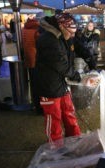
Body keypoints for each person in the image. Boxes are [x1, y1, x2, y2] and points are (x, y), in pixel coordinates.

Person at [35, 13, 97, 146]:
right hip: (49, 86)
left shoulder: (65, 35)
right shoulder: (48, 39)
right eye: (71, 33)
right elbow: (60, 64)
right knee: (54, 118)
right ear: (62, 27)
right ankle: (55, 148)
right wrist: (79, 77)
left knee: (69, 112)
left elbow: (77, 46)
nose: (73, 36)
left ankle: (74, 141)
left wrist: (90, 60)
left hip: (62, 84)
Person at [22, 17, 41, 113]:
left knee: (33, 84)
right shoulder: (36, 31)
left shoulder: (23, 30)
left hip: (28, 60)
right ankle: (39, 107)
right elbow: (40, 45)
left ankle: (35, 103)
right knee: (38, 85)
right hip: (36, 60)